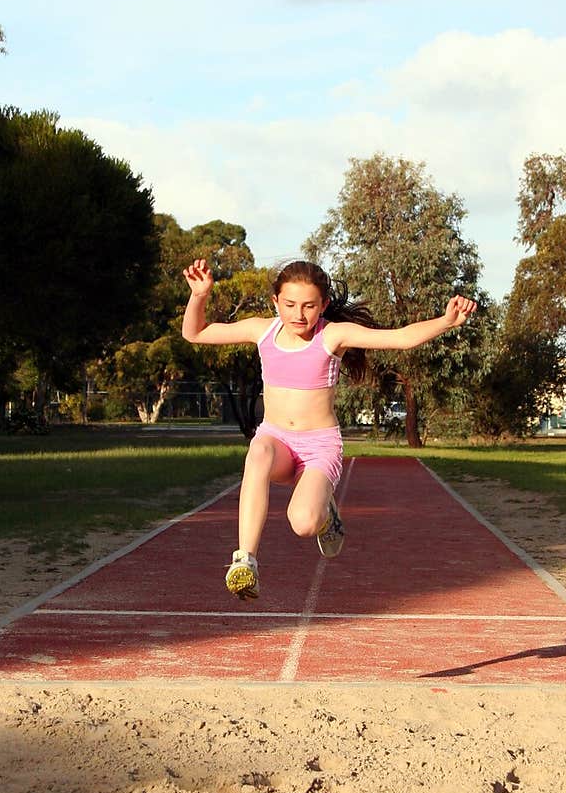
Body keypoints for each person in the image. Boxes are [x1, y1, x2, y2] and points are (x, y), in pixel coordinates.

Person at [182, 257, 477, 600]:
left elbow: (400, 339)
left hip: (318, 448)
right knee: (258, 450)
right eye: (289, 304)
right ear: (275, 301)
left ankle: (325, 515)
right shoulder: (261, 330)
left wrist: (446, 321)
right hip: (276, 441)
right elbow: (196, 333)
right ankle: (245, 560)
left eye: (309, 306)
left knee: (303, 522)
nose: (298, 314)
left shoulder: (333, 335)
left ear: (323, 305)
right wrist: (199, 296)